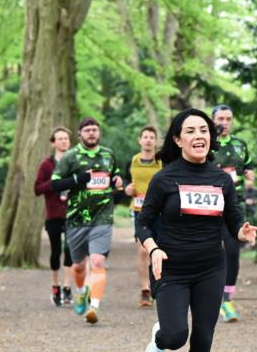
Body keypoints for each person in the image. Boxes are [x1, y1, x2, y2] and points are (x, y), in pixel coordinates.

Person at [137, 109, 257, 352]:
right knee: (176, 336)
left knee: (203, 336)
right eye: (190, 131)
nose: (199, 136)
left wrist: (242, 231)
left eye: (203, 130)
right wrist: (153, 250)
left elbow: (233, 221)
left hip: (209, 268)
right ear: (178, 140)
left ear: (211, 137)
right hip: (171, 267)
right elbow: (144, 223)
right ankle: (159, 338)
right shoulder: (164, 179)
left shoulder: (221, 179)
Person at [49, 117, 124, 324]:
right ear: (80, 133)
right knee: (79, 266)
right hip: (76, 219)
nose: (91, 133)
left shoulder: (108, 155)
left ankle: (94, 306)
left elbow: (116, 180)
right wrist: (77, 180)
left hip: (103, 216)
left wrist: (118, 182)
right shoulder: (70, 157)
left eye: (95, 130)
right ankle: (81, 291)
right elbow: (54, 185)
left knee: (98, 261)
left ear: (99, 133)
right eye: (87, 130)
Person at [211, 105, 255, 322]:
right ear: (212, 120)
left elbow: (248, 165)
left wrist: (249, 173)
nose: (225, 122)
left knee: (232, 251)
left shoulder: (240, 145)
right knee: (208, 252)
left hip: (234, 205)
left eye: (228, 118)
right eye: (221, 118)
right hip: (208, 206)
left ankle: (227, 299)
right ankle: (209, 296)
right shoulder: (207, 144)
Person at [34, 126, 75, 306]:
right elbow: (37, 188)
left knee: (70, 250)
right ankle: (55, 286)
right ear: (53, 143)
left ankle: (67, 288)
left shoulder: (75, 162)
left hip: (72, 212)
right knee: (56, 250)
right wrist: (55, 183)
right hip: (53, 213)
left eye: (66, 138)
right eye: (59, 139)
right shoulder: (46, 165)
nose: (63, 141)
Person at [124, 126, 163, 308]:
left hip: (160, 211)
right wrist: (126, 188)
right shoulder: (133, 161)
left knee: (161, 248)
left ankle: (159, 285)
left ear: (156, 141)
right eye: (145, 137)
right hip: (139, 210)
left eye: (151, 137)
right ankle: (145, 289)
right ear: (140, 140)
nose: (148, 140)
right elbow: (124, 181)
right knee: (143, 250)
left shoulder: (162, 161)